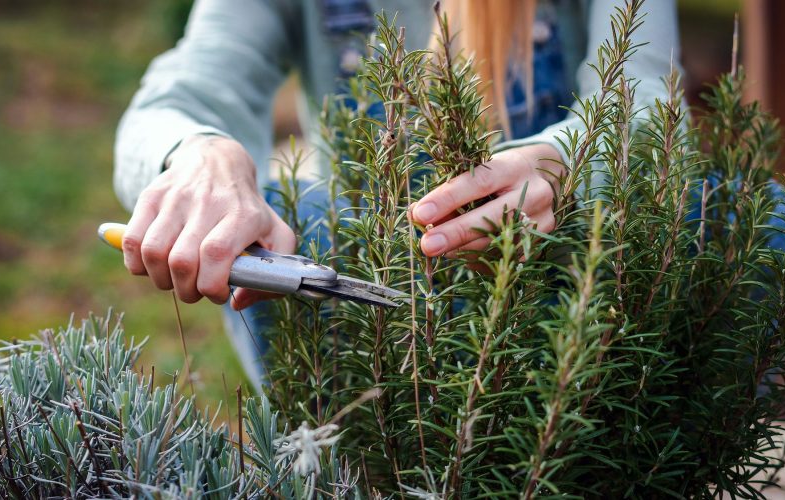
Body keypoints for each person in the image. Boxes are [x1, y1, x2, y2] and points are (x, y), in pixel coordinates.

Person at [113, 0, 682, 388]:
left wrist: (570, 164)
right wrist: (198, 153)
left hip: (576, 291)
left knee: (762, 220)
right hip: (373, 323)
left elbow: (649, 100)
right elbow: (182, 94)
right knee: (294, 218)